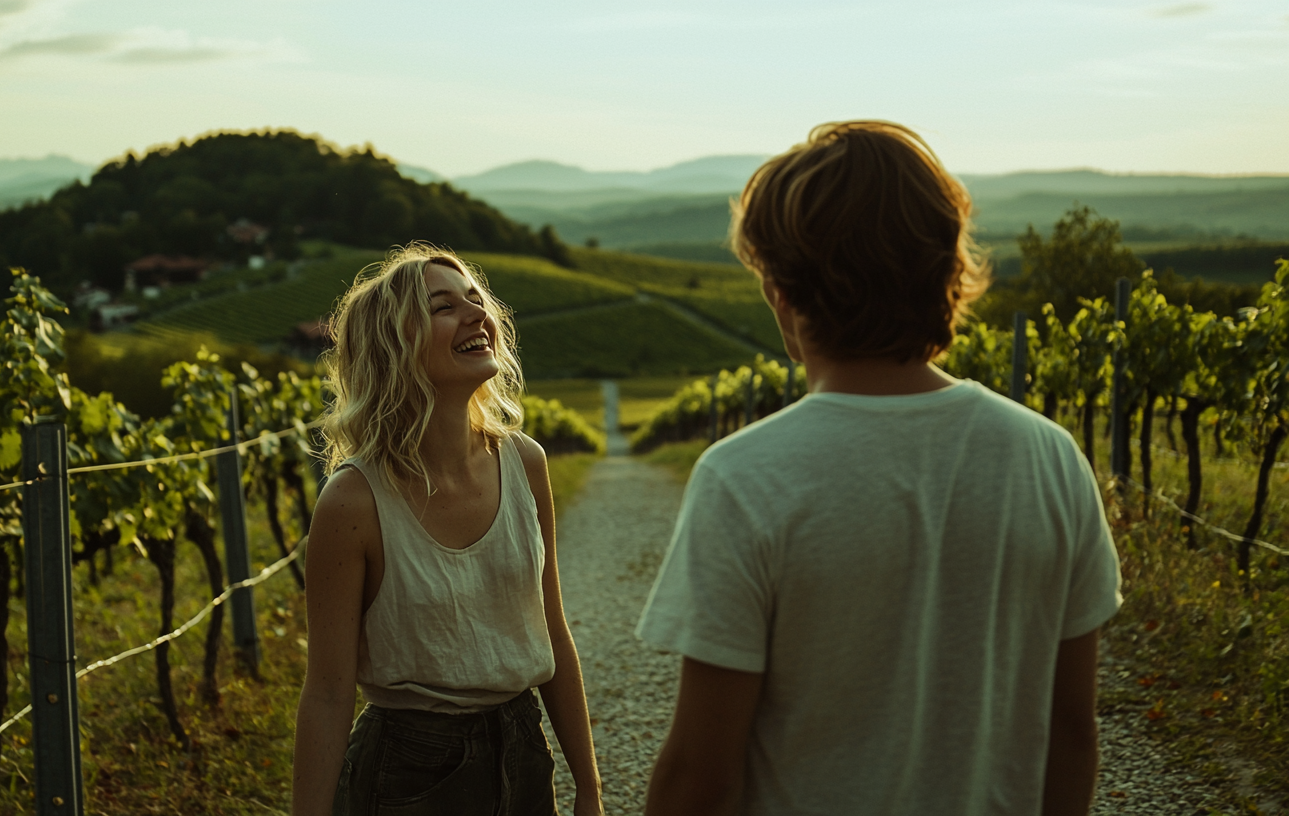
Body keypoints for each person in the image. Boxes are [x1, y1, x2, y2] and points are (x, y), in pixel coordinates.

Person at [637, 121, 1122, 816]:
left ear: (780, 290)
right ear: (950, 272)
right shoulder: (1049, 457)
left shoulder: (744, 478)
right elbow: (1073, 733)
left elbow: (701, 777)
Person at [290, 243, 604, 816]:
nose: (476, 314)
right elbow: (330, 691)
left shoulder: (525, 463)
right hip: (409, 771)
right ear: (394, 345)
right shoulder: (354, 500)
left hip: (522, 750)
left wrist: (589, 786)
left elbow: (552, 632)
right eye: (443, 306)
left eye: (475, 299)